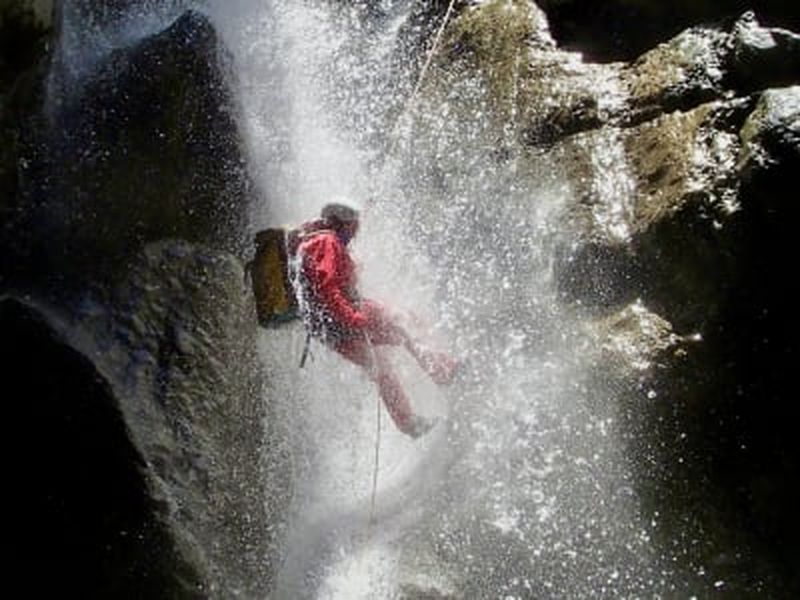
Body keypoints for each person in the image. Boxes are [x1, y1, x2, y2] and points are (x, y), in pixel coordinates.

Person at [292, 202, 457, 439]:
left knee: (380, 367)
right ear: (345, 223)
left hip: (327, 329)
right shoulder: (327, 242)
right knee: (403, 321)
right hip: (347, 316)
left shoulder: (312, 242)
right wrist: (354, 317)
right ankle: (444, 371)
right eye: (355, 224)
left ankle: (409, 423)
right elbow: (327, 287)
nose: (358, 230)